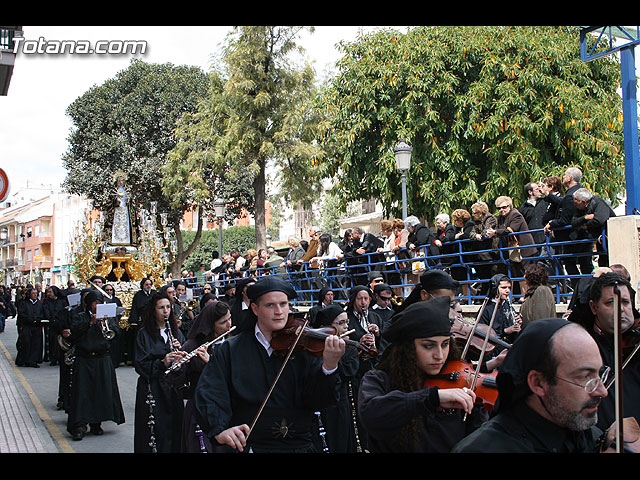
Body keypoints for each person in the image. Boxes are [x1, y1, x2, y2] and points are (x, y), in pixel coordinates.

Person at [194, 276, 345, 453]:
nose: (279, 311)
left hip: (299, 446)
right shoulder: (230, 349)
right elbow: (211, 392)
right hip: (252, 446)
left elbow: (319, 401)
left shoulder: (304, 347)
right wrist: (219, 429)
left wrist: (329, 366)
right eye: (270, 305)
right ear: (255, 309)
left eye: (283, 304)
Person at [452, 318, 608, 453]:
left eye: (599, 374)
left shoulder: (591, 436)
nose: (602, 391)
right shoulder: (483, 449)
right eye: (585, 377)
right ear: (538, 383)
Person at [358, 296, 488, 452]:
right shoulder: (378, 379)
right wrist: (432, 398)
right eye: (428, 346)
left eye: (445, 344)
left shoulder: (458, 379)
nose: (439, 355)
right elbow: (371, 414)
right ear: (408, 348)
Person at [571, 272, 640, 432]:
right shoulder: (580, 346)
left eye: (625, 302)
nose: (621, 309)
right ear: (594, 307)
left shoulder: (634, 343)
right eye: (611, 302)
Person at [166, 300, 232, 453]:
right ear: (211, 324)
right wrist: (177, 367)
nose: (229, 325)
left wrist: (212, 364)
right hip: (199, 409)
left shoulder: (233, 343)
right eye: (223, 322)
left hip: (227, 407)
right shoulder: (192, 345)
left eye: (230, 319)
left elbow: (239, 379)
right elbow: (177, 382)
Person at [66, 291, 125, 441]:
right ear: (89, 304)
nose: (97, 306)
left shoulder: (107, 317)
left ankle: (96, 423)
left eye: (100, 303)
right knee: (82, 392)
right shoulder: (80, 316)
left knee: (101, 391)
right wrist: (90, 323)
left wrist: (106, 325)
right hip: (84, 359)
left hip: (102, 358)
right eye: (95, 303)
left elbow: (116, 333)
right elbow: (74, 334)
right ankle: (79, 425)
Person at [133, 292, 187, 453]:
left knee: (175, 427)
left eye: (168, 307)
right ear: (153, 310)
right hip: (153, 388)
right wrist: (162, 362)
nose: (165, 311)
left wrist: (181, 354)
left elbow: (183, 364)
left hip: (172, 387)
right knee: (156, 430)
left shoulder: (176, 333)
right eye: (161, 307)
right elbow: (140, 364)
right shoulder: (144, 334)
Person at [311, 304, 362, 453]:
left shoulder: (349, 348)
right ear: (325, 327)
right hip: (318, 406)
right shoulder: (313, 348)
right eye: (341, 323)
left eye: (347, 322)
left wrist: (334, 359)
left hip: (340, 404)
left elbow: (348, 372)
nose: (346, 327)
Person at [544, 167, 589, 286]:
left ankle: (580, 289)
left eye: (565, 175)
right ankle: (585, 288)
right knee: (585, 263)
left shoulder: (571, 196)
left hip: (573, 237)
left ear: (569, 178)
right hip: (583, 235)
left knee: (570, 262)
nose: (563, 177)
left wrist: (552, 223)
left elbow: (565, 220)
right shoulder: (581, 191)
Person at [487, 196, 537, 296]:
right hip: (513, 249)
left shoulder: (515, 215)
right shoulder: (501, 218)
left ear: (509, 206)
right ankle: (523, 295)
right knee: (518, 273)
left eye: (504, 207)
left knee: (525, 272)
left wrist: (495, 232)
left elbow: (511, 229)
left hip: (524, 247)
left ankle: (527, 295)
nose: (501, 210)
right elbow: (498, 229)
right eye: (499, 208)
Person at [571, 187, 615, 268]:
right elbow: (573, 222)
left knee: (609, 261)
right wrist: (585, 217)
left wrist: (586, 225)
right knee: (602, 261)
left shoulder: (598, 203)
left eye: (576, 203)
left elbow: (599, 220)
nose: (575, 205)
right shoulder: (581, 208)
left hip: (609, 237)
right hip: (600, 239)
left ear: (583, 202)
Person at [479, 274, 522, 356]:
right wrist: (505, 331)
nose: (507, 291)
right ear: (495, 288)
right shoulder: (486, 308)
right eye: (503, 288)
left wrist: (519, 322)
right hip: (493, 353)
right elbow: (482, 334)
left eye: (509, 287)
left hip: (509, 349)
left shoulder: (507, 305)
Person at [469, 201, 499, 296]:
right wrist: (477, 236)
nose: (473, 215)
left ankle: (490, 294)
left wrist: (480, 235)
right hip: (481, 251)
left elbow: (487, 232)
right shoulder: (476, 222)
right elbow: (471, 234)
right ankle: (483, 294)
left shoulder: (491, 218)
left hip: (491, 250)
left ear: (480, 212)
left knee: (491, 273)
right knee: (482, 274)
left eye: (474, 213)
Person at [127, 277, 156, 366]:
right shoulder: (138, 295)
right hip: (142, 321)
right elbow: (135, 308)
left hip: (153, 320)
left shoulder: (154, 294)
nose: (148, 286)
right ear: (142, 285)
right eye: (146, 284)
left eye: (150, 284)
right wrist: (133, 320)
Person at [520, 263, 556, 327]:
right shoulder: (533, 292)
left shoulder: (542, 291)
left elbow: (541, 316)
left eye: (525, 274)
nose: (524, 277)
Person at [15, 287, 44, 368]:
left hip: (36, 327)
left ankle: (33, 360)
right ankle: (24, 360)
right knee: (26, 343)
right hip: (27, 326)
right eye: (33, 293)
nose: (35, 295)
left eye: (36, 293)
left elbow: (42, 313)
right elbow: (21, 314)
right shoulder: (24, 303)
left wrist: (38, 319)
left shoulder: (39, 304)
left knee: (36, 344)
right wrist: (29, 319)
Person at [519, 181, 548, 252]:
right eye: (537, 189)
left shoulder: (545, 201)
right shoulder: (523, 207)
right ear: (530, 192)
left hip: (546, 238)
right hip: (532, 241)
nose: (540, 191)